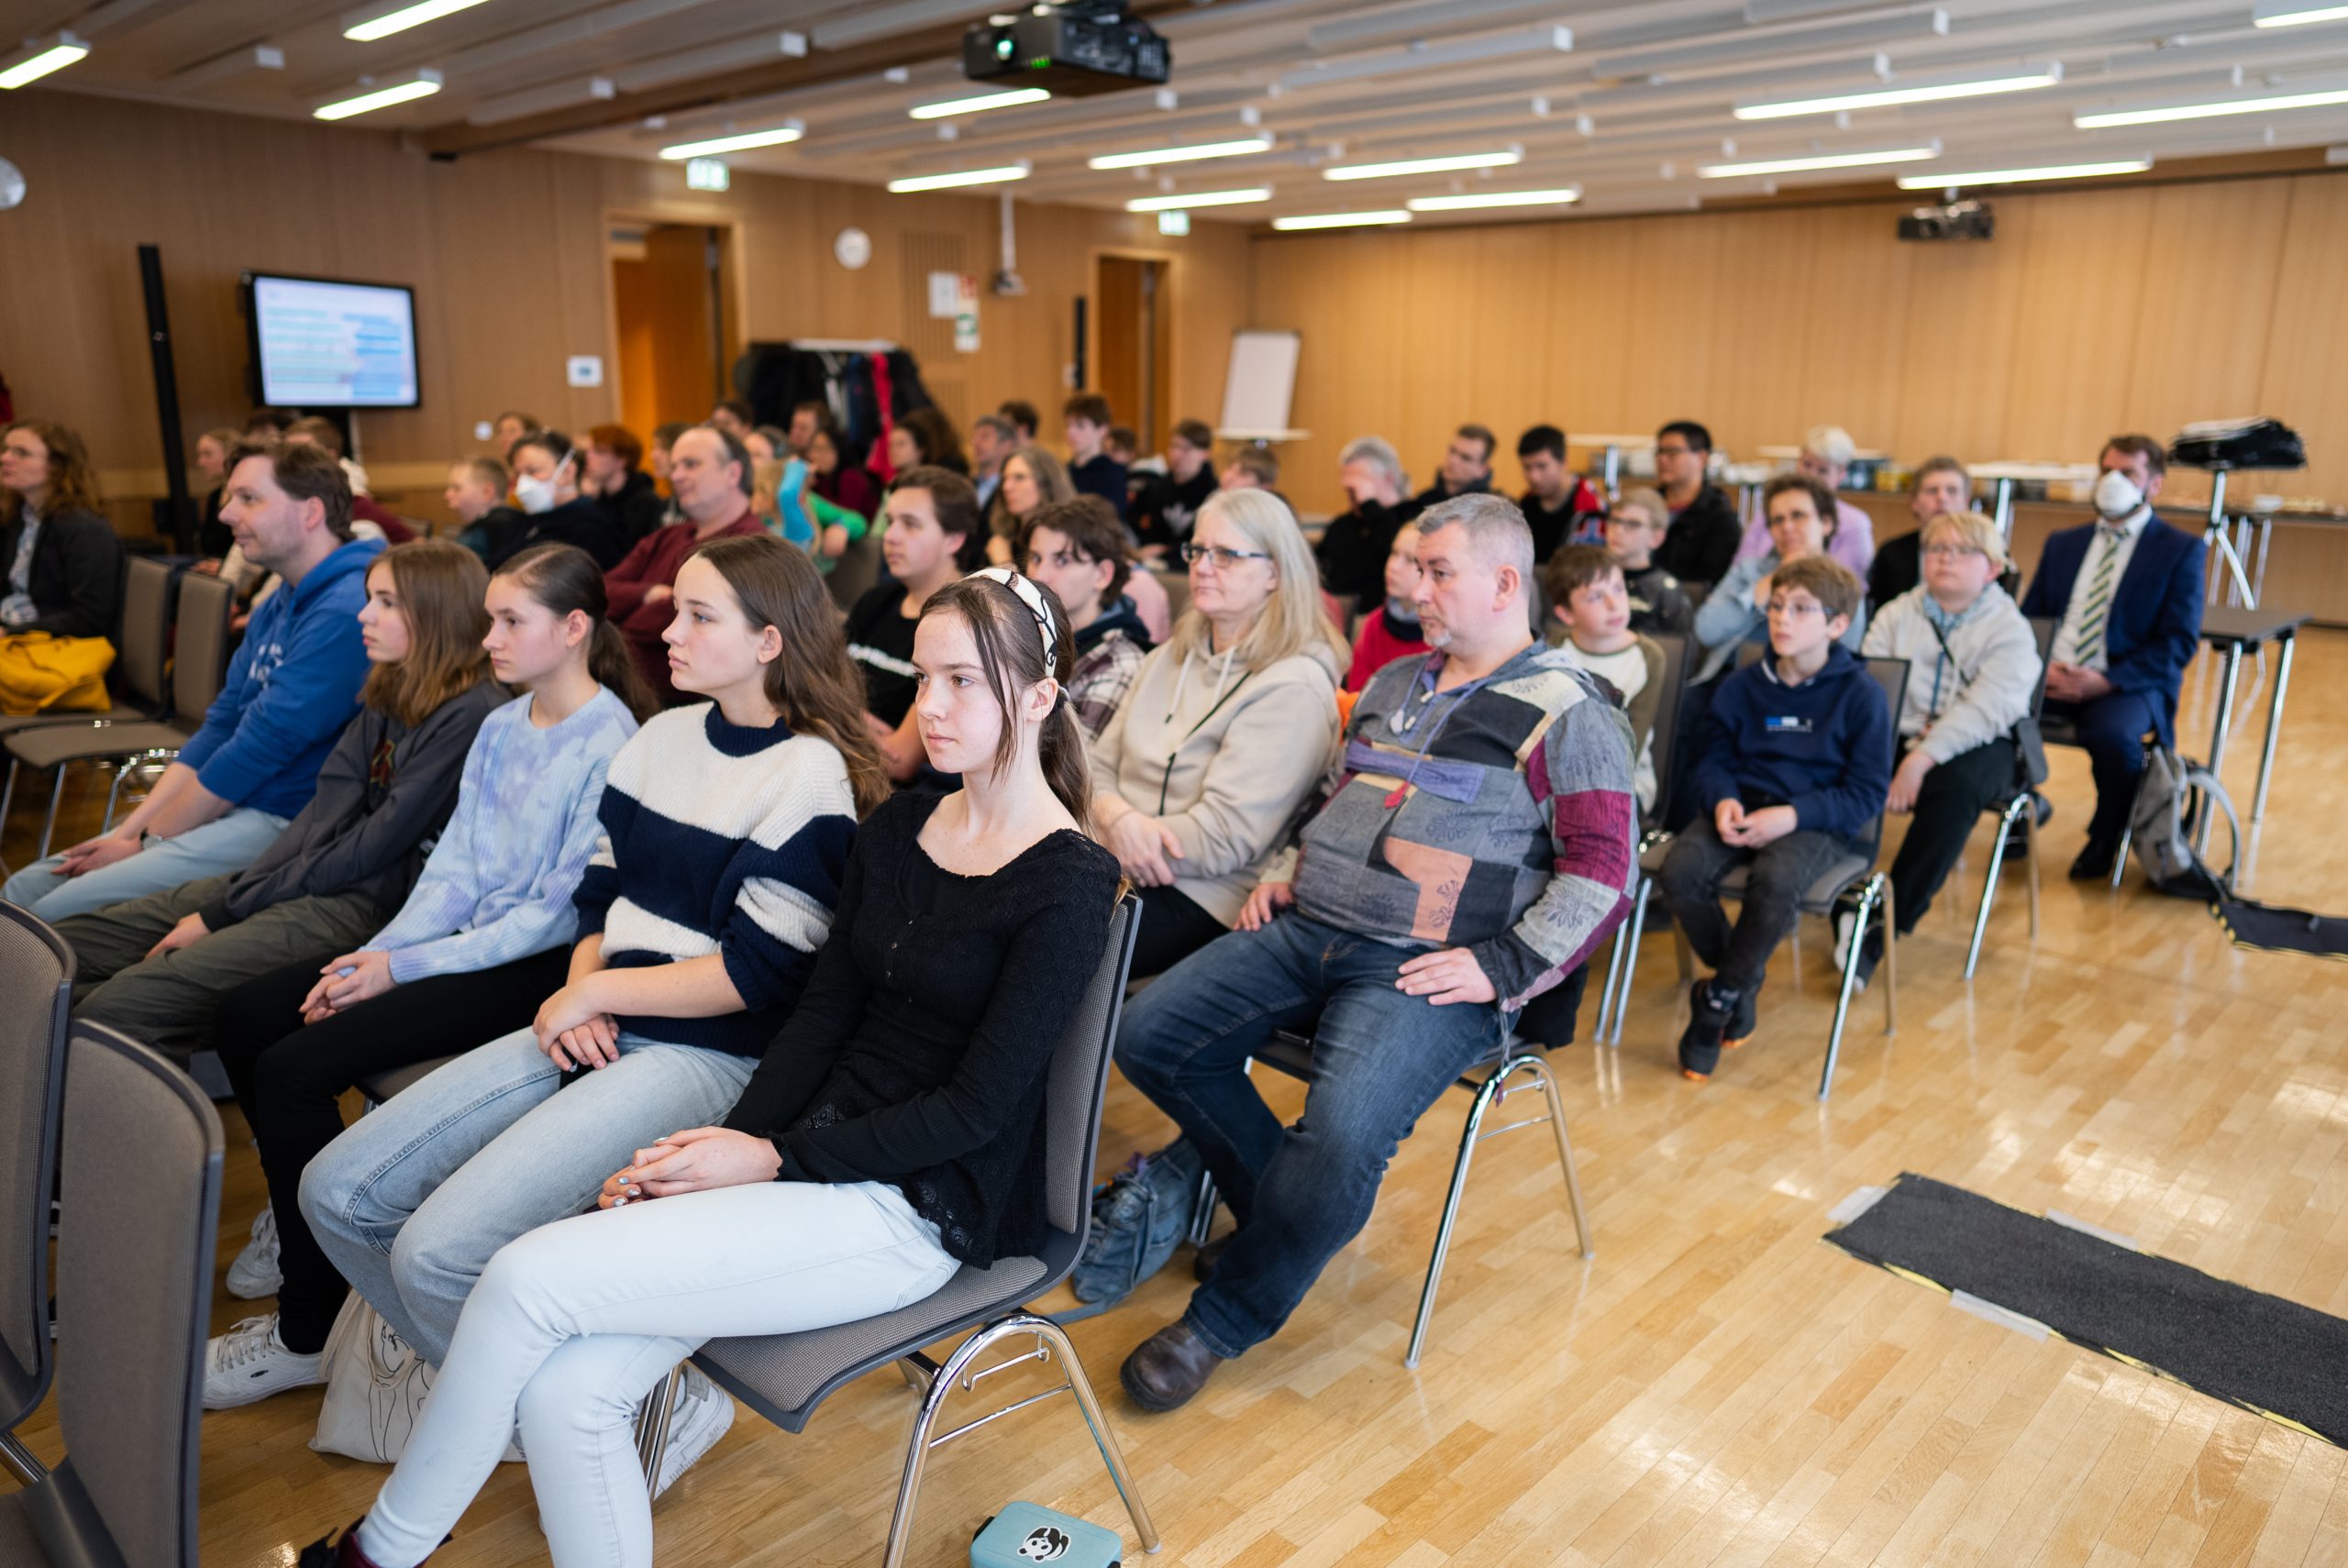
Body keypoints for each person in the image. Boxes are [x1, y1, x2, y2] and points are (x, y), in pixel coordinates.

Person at [294, 568, 1116, 1568]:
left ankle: (378, 1552)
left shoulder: (1069, 878)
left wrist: (765, 1159)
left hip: (909, 1206)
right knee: (564, 1396)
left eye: (961, 683)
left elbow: (976, 1111)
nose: (928, 708)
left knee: (520, 1279)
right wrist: (724, 1146)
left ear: (1038, 698)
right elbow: (821, 1019)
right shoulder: (902, 827)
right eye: (922, 679)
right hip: (803, 1161)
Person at [297, 536, 883, 1490]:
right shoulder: (659, 739)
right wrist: (580, 988)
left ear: (769, 641)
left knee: (436, 1256)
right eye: (675, 609)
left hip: (708, 1052)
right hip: (600, 1013)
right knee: (336, 1192)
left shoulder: (806, 775)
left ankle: (598, 1409)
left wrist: (593, 991)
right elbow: (598, 903)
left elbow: (755, 975)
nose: (667, 630)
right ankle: (557, 1408)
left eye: (698, 616)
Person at [1113, 493, 1635, 1411]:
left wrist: (1501, 967)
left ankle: (1222, 1322)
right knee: (1148, 1035)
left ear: (1503, 583)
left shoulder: (1569, 709)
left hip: (1429, 968)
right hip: (1308, 927)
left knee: (1345, 1134)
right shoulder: (1394, 683)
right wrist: (1286, 866)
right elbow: (1330, 798)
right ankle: (1294, 1215)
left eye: (1438, 573)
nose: (1413, 589)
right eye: (1414, 569)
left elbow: (1604, 872)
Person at [203, 542, 654, 1408]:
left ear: (574, 629)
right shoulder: (501, 725)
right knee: (246, 1016)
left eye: (510, 621)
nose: (488, 639)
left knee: (293, 1070)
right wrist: (379, 958)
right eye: (490, 620)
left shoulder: (612, 745)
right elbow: (452, 871)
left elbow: (549, 918)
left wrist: (403, 966)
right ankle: (300, 1224)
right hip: (458, 945)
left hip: (532, 970)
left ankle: (307, 1325)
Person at [50, 542, 504, 1061]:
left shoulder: (471, 714)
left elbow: (371, 850)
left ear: (436, 613)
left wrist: (228, 910)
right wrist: (242, 895)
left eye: (386, 602)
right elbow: (322, 811)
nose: (364, 614)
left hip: (362, 905)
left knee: (112, 1008)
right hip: (305, 878)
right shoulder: (391, 683)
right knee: (65, 947)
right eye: (369, 598)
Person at [3, 441, 381, 921]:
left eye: (248, 498)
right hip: (236, 799)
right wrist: (130, 834)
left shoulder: (347, 607)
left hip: (287, 819)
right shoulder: (285, 597)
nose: (226, 514)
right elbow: (222, 725)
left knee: (53, 912)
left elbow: (262, 746)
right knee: (22, 888)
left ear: (310, 513)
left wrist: (149, 840)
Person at [1088, 489, 1346, 982]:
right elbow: (1095, 766)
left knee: (1040, 948)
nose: (1203, 567)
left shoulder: (1294, 685)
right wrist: (1117, 820)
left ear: (1274, 573)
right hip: (1112, 855)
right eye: (1198, 550)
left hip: (1202, 894)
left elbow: (1223, 837)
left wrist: (1119, 839)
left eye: (1226, 554)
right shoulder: (1169, 655)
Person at [1657, 555, 1891, 1082]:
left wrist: (1793, 815)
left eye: (1801, 609)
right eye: (1778, 606)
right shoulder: (1742, 685)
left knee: (1777, 880)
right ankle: (1740, 981)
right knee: (1680, 871)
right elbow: (1713, 761)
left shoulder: (1861, 695)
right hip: (1742, 806)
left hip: (1815, 819)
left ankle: (1717, 998)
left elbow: (1866, 792)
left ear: (1837, 625)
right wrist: (1723, 799)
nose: (1783, 618)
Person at [1847, 510, 2041, 987]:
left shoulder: (2010, 629)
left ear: (1992, 568)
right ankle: (1840, 893)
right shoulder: (1896, 613)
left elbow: (1986, 710)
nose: (1945, 559)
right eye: (1936, 549)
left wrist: (1920, 759)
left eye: (1962, 550)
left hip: (1983, 741)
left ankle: (1886, 923)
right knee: (1843, 764)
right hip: (1903, 730)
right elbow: (1872, 690)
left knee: (1954, 790)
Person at [2020, 434, 2205, 881]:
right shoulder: (2063, 543)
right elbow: (2031, 619)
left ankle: (2106, 835)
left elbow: (2178, 642)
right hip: (2053, 673)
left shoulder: (2180, 550)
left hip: (2124, 681)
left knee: (2113, 735)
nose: (2112, 481)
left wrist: (2105, 680)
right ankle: (2017, 812)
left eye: (2127, 473)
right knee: (1995, 712)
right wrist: (2044, 668)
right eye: (2106, 471)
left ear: (2154, 484)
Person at [603, 425, 767, 704]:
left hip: (679, 704)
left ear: (733, 473)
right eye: (675, 465)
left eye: (690, 464)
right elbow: (599, 592)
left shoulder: (752, 547)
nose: (675, 476)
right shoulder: (667, 536)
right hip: (623, 689)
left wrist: (621, 620)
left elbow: (664, 622)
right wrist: (646, 593)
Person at [851, 466, 990, 783]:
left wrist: (829, 714)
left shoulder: (965, 625)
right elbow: (815, 690)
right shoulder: (875, 600)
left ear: (954, 539)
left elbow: (898, 759)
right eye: (890, 522)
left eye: (910, 524)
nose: (890, 536)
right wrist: (858, 724)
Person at [1691, 473, 1866, 682]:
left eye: (1798, 515)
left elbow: (1845, 654)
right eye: (1777, 520)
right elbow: (1706, 631)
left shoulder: (1843, 584)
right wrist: (1756, 594)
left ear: (1826, 523)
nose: (1787, 527)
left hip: (1806, 686)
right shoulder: (1748, 570)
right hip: (1728, 679)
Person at [1543, 544, 1665, 815]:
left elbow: (1632, 744)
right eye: (1596, 597)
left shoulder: (1648, 658)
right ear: (1566, 614)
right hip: (1555, 777)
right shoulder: (1553, 651)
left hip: (1624, 782)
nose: (1614, 604)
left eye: (1618, 589)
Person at [1018, 496, 1151, 738]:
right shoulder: (1028, 633)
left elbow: (1071, 758)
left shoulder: (1118, 662)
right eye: (1035, 558)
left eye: (1062, 560)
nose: (1039, 575)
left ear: (1102, 574)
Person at [0, 417, 123, 642]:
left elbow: (89, 618)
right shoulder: (21, 517)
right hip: (15, 630)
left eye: (21, 453)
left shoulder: (84, 529)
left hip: (50, 644)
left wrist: (9, 633)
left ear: (57, 467)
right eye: (6, 450)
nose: (4, 458)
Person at [1732, 425, 1876, 575]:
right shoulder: (1770, 511)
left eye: (1823, 470)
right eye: (1807, 465)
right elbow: (1740, 570)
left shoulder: (1854, 524)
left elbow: (1849, 583)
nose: (1811, 475)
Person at [492, 431, 626, 570]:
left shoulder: (592, 528)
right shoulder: (527, 521)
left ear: (568, 471)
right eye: (518, 474)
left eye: (532, 471)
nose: (522, 483)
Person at [1313, 435, 1423, 608]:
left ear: (1388, 478)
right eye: (1348, 488)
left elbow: (1398, 546)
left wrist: (1369, 505)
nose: (1352, 493)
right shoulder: (1342, 524)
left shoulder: (1414, 517)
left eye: (1358, 484)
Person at [1868, 456, 1972, 613]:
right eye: (1932, 491)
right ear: (1914, 502)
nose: (1942, 498)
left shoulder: (1982, 552)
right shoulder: (1892, 552)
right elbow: (1878, 611)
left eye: (1952, 491)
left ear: (1966, 502)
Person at [1650, 419, 1742, 592]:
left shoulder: (1720, 516)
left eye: (1672, 452)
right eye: (1659, 452)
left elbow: (1711, 579)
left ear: (1701, 458)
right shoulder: (1646, 504)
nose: (1662, 459)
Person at [1344, 535, 1428, 692]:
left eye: (1410, 560)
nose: (1393, 566)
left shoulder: (1440, 633)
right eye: (1394, 553)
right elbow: (1356, 694)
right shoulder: (1374, 623)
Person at [1606, 486, 1694, 637]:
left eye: (1633, 524)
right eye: (1615, 521)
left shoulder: (1666, 592)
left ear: (1656, 538)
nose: (1618, 530)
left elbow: (1678, 647)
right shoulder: (1590, 580)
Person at [1517, 424, 1606, 560]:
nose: (1534, 476)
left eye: (1542, 466)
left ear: (1563, 462)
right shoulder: (1523, 505)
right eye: (1527, 467)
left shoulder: (1592, 509)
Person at [1132, 417, 1218, 559]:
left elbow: (1208, 543)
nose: (1176, 454)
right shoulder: (1159, 487)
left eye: (1185, 449)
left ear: (1204, 454)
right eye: (1173, 446)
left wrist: (1167, 550)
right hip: (1158, 563)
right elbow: (1150, 532)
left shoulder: (1214, 494)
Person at [985, 444, 1076, 566]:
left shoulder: (1064, 541)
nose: (1006, 487)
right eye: (1005, 479)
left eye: (1019, 477)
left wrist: (1004, 564)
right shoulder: (1003, 540)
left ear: (1046, 484)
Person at [581, 424, 667, 545]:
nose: (588, 457)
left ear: (622, 459)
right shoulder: (599, 498)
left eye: (599, 451)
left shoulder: (646, 504)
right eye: (587, 451)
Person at [444, 456, 523, 562]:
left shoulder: (480, 535)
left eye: (457, 488)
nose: (447, 495)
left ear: (487, 492)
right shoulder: (519, 522)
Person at [1064, 392, 1128, 522]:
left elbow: (1109, 523)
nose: (1070, 432)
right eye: (1068, 425)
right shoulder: (1064, 471)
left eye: (1080, 425)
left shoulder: (1112, 474)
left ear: (1102, 430)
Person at [1412, 424, 1496, 510]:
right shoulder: (1423, 501)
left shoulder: (1488, 511)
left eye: (1465, 458)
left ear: (1482, 470)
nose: (1453, 460)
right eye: (1452, 451)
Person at [806, 421, 878, 522]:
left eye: (826, 449)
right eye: (815, 449)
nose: (819, 455)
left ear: (839, 451)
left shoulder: (851, 478)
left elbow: (847, 521)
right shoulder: (816, 479)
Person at [196, 425, 241, 558]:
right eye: (199, 455)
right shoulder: (214, 495)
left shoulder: (244, 496)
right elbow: (206, 544)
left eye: (207, 454)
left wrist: (222, 564)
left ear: (230, 455)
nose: (200, 462)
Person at [889, 405, 970, 477]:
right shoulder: (898, 477)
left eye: (901, 444)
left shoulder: (945, 469)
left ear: (921, 449)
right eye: (890, 445)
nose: (893, 450)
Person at [969, 412, 1015, 511]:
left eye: (985, 436)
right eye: (974, 436)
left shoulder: (1012, 488)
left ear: (1006, 445)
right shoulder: (967, 484)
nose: (976, 443)